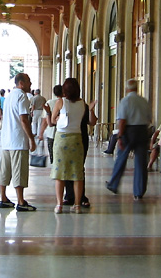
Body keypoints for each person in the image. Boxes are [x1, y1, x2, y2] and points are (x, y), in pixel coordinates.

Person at [50, 78, 96, 213]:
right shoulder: (83, 104)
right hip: (77, 140)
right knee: (77, 173)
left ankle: (59, 205)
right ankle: (77, 205)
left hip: (61, 140)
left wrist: (59, 118)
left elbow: (52, 120)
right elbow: (91, 122)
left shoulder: (60, 102)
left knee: (60, 173)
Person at [0, 73, 38, 212]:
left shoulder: (8, 97)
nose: (31, 84)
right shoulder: (22, 96)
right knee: (19, 170)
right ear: (21, 83)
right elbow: (24, 119)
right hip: (18, 140)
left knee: (4, 170)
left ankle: (3, 198)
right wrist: (31, 139)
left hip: (6, 140)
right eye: (29, 81)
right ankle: (21, 201)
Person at [106, 79, 152, 200]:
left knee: (121, 158)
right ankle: (139, 191)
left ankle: (114, 184)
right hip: (142, 131)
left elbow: (122, 120)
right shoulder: (144, 101)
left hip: (129, 131)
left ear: (127, 89)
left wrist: (120, 136)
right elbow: (149, 119)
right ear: (137, 88)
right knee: (141, 163)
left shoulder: (125, 101)